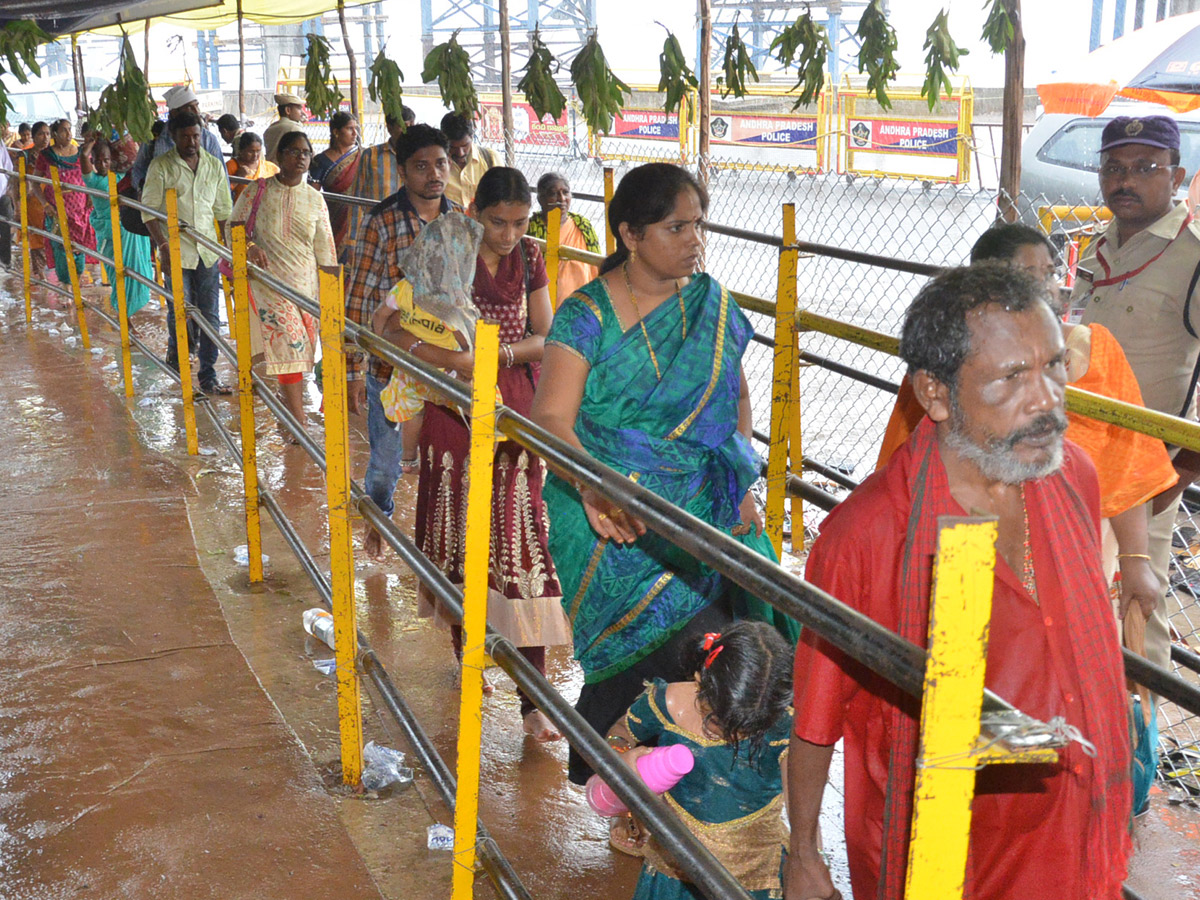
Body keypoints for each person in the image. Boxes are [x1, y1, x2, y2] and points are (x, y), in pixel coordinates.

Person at [785, 263, 1132, 900]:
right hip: (946, 853)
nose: (1048, 401)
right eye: (1011, 379)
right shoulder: (865, 536)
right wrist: (803, 853)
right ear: (936, 394)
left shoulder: (1072, 476)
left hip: (1072, 834)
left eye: (1054, 367)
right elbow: (815, 716)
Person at [530, 163, 779, 787]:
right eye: (676, 227)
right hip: (606, 510)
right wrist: (594, 486)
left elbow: (736, 406)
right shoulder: (585, 315)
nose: (695, 239)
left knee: (720, 645)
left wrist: (738, 484)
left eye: (699, 224)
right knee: (645, 647)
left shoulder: (711, 305)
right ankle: (623, 783)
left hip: (700, 503)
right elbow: (552, 419)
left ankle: (690, 786)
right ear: (630, 234)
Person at [877, 223, 1176, 622]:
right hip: (970, 545)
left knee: (1067, 647)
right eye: (1013, 376)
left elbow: (1128, 465)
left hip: (1078, 549)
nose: (1046, 398)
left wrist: (1135, 559)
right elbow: (908, 469)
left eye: (1050, 272)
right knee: (975, 655)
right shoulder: (948, 372)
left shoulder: (1079, 466)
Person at [379, 168, 566, 741]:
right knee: (458, 534)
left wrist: (496, 357)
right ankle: (469, 652)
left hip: (511, 409)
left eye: (519, 223)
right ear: (473, 211)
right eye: (496, 222)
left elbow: (547, 335)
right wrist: (436, 356)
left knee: (520, 540)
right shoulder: (443, 244)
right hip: (451, 411)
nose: (508, 235)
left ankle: (533, 699)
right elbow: (387, 320)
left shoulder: (531, 257)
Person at [1070, 114, 1200, 679]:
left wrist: (1183, 470)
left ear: (1178, 176)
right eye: (1114, 168)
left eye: (1146, 168)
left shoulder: (1193, 257)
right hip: (1075, 463)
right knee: (1077, 601)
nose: (1126, 181)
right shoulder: (1096, 248)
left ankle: (1136, 745)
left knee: (1135, 610)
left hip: (1146, 476)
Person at [605, 622, 793, 895]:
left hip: (753, 878)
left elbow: (803, 815)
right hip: (672, 869)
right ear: (699, 680)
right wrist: (622, 757)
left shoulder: (784, 729)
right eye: (717, 718)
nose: (729, 734)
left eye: (745, 727)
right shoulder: (667, 703)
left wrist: (810, 858)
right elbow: (620, 733)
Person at [344, 123, 459, 559]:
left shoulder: (459, 221)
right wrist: (354, 371)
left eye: (441, 164)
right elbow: (360, 298)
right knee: (386, 460)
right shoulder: (381, 222)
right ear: (403, 170)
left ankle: (440, 547)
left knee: (446, 457)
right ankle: (379, 520)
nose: (434, 174)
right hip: (389, 367)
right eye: (422, 166)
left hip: (446, 366)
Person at [231, 130, 335, 433]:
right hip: (269, 284)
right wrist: (250, 248)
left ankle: (286, 406)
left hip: (306, 287)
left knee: (302, 355)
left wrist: (330, 292)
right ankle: (297, 422)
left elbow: (325, 247)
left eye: (306, 153)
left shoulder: (315, 199)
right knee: (290, 347)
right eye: (294, 151)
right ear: (278, 156)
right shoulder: (257, 191)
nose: (301, 157)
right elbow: (233, 227)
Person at [371, 211, 483, 471]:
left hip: (411, 371)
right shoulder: (455, 306)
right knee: (486, 405)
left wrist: (380, 345)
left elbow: (381, 314)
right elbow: (467, 344)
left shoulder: (404, 289)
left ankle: (408, 459)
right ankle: (482, 462)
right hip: (446, 373)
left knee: (413, 412)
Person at [142, 109, 234, 395]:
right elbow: (149, 212)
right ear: (174, 137)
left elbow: (223, 210)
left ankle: (208, 375)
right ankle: (182, 367)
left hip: (207, 250)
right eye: (185, 137)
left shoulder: (213, 165)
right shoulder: (161, 167)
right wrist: (164, 246)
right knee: (180, 310)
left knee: (209, 313)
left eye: (196, 136)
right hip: (176, 250)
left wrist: (228, 248)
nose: (192, 142)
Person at [80, 137, 154, 320]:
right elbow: (82, 157)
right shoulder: (94, 181)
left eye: (106, 160)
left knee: (137, 271)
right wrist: (91, 141)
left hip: (129, 233)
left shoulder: (122, 177)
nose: (102, 164)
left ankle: (128, 321)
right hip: (109, 235)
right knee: (118, 276)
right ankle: (124, 320)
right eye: (97, 161)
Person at [131, 85, 228, 192]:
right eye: (190, 107)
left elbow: (222, 179)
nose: (196, 111)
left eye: (196, 106)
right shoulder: (156, 136)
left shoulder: (208, 139)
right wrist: (143, 190)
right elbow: (138, 169)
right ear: (174, 112)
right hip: (162, 205)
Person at [34, 118, 95, 286]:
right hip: (57, 210)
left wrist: (90, 195)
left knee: (79, 248)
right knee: (61, 248)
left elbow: (92, 175)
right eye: (64, 130)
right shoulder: (47, 156)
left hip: (80, 210)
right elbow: (34, 182)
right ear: (55, 134)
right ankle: (67, 288)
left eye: (69, 129)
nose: (68, 134)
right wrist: (46, 205)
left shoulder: (81, 153)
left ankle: (76, 282)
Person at [343, 112, 406, 266]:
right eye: (402, 126)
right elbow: (357, 199)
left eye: (411, 125)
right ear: (390, 128)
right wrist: (352, 240)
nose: (407, 131)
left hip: (407, 236)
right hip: (376, 235)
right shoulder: (371, 155)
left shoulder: (418, 157)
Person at [527, 172, 600, 301]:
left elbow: (597, 269)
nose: (562, 199)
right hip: (544, 307)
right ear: (540, 199)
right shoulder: (531, 230)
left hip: (582, 305)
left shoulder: (583, 226)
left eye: (565, 192)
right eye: (553, 194)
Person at [307, 111, 361, 260]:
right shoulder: (320, 161)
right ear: (336, 132)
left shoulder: (362, 156)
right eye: (350, 129)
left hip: (358, 218)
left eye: (356, 128)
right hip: (332, 218)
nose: (354, 133)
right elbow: (312, 195)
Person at [440, 112, 495, 208]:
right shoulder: (436, 168)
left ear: (472, 136)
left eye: (465, 145)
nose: (460, 153)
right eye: (453, 147)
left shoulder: (490, 159)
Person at [19, 121, 49, 277]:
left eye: (48, 134)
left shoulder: (52, 154)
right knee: (37, 237)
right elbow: (17, 180)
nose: (45, 138)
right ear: (33, 136)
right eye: (41, 134)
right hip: (33, 201)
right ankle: (40, 275)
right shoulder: (24, 155)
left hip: (50, 198)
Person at [226, 132, 278, 200]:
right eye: (251, 152)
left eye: (258, 151)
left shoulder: (270, 168)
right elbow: (223, 191)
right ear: (241, 151)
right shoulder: (231, 166)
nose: (255, 155)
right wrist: (238, 177)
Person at [263, 92, 306, 163]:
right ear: (288, 110)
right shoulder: (295, 129)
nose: (302, 113)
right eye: (299, 109)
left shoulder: (270, 129)